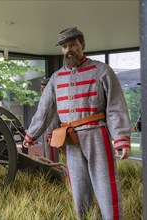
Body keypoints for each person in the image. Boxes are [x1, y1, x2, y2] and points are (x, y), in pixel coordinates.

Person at [23, 27, 131, 219]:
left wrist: (121, 138)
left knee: (105, 184)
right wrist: (31, 135)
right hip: (70, 140)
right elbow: (45, 110)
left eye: (72, 44)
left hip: (97, 134)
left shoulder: (102, 70)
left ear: (82, 44)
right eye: (64, 46)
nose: (68, 50)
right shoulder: (56, 78)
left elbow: (115, 106)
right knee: (78, 187)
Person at [39, 78, 60, 162]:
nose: (42, 90)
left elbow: (53, 119)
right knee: (46, 155)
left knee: (51, 156)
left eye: (44, 88)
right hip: (45, 131)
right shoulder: (44, 99)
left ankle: (54, 172)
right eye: (41, 88)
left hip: (51, 132)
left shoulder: (51, 100)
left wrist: (50, 134)